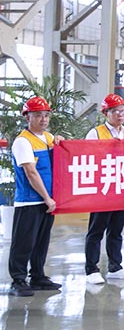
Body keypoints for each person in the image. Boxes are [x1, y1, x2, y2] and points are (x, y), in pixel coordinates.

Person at [7, 96, 61, 297]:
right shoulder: (23, 141)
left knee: (41, 241)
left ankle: (38, 276)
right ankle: (18, 280)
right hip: (30, 201)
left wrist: (60, 142)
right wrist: (47, 198)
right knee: (24, 242)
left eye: (46, 115)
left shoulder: (48, 138)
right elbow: (31, 172)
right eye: (38, 115)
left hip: (48, 200)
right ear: (27, 117)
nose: (43, 119)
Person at [84, 93, 124, 284]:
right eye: (115, 111)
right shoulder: (95, 133)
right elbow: (87, 159)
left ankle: (115, 266)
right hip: (103, 189)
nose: (120, 114)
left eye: (122, 111)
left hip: (121, 188)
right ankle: (91, 269)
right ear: (106, 113)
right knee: (96, 230)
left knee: (116, 230)